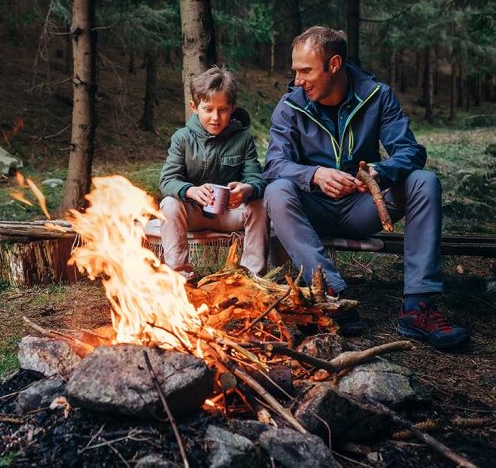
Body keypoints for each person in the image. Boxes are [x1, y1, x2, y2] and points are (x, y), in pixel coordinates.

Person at [263, 26, 469, 348]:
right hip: (311, 209)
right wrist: (315, 174)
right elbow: (274, 165)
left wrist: (377, 172)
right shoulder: (290, 106)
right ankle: (332, 294)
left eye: (306, 71)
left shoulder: (376, 95)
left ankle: (418, 307)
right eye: (296, 71)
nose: (298, 80)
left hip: (364, 207)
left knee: (424, 182)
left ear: (334, 64)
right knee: (276, 191)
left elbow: (411, 152)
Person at [159, 67, 268, 282]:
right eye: (208, 109)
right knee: (169, 205)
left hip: (231, 213)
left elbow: (257, 180)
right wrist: (190, 191)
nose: (215, 117)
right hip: (194, 214)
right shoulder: (182, 139)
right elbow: (167, 180)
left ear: (233, 108)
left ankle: (252, 278)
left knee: (260, 205)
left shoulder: (242, 139)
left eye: (223, 110)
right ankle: (180, 277)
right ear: (194, 107)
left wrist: (246, 189)